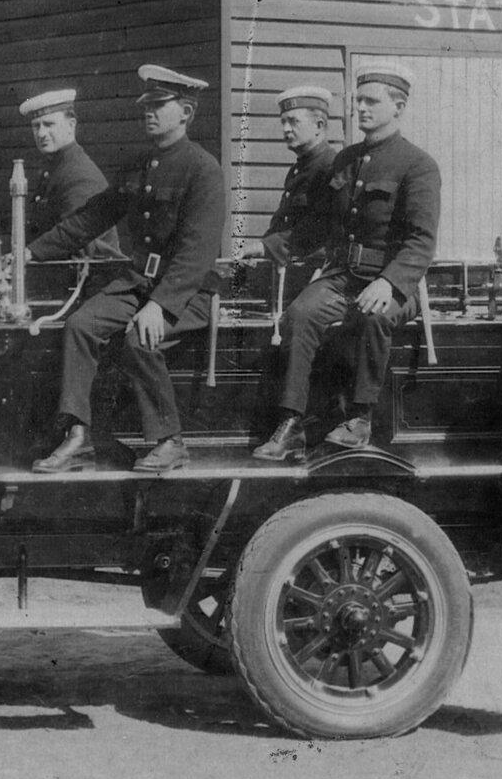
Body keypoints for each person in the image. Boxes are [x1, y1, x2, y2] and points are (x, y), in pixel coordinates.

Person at [26, 64, 225, 474]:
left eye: (159, 105)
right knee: (80, 325)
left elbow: (197, 252)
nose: (148, 112)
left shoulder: (203, 170)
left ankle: (170, 442)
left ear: (186, 113)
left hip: (188, 291)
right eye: (146, 105)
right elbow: (89, 218)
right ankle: (78, 436)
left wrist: (160, 305)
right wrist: (30, 253)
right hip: (139, 280)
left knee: (140, 340)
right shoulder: (139, 165)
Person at [252, 62, 440, 461]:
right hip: (341, 276)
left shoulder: (417, 165)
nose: (361, 109)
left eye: (372, 101)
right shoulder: (345, 161)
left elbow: (421, 241)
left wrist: (388, 283)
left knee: (374, 315)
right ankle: (291, 424)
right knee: (300, 314)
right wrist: (264, 247)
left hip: (394, 283)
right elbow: (316, 227)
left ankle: (360, 417)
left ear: (399, 106)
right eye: (358, 101)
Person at [237, 84, 340, 304]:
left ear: (319, 125)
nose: (285, 129)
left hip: (314, 273)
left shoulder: (331, 167)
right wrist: (264, 245)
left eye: (293, 121)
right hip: (293, 266)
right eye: (283, 122)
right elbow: (284, 222)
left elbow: (317, 229)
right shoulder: (300, 169)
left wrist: (267, 247)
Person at [19, 87, 119, 258]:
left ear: (71, 125)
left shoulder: (79, 174)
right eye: (36, 126)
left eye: (49, 124)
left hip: (87, 279)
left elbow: (79, 247)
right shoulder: (58, 167)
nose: (41, 133)